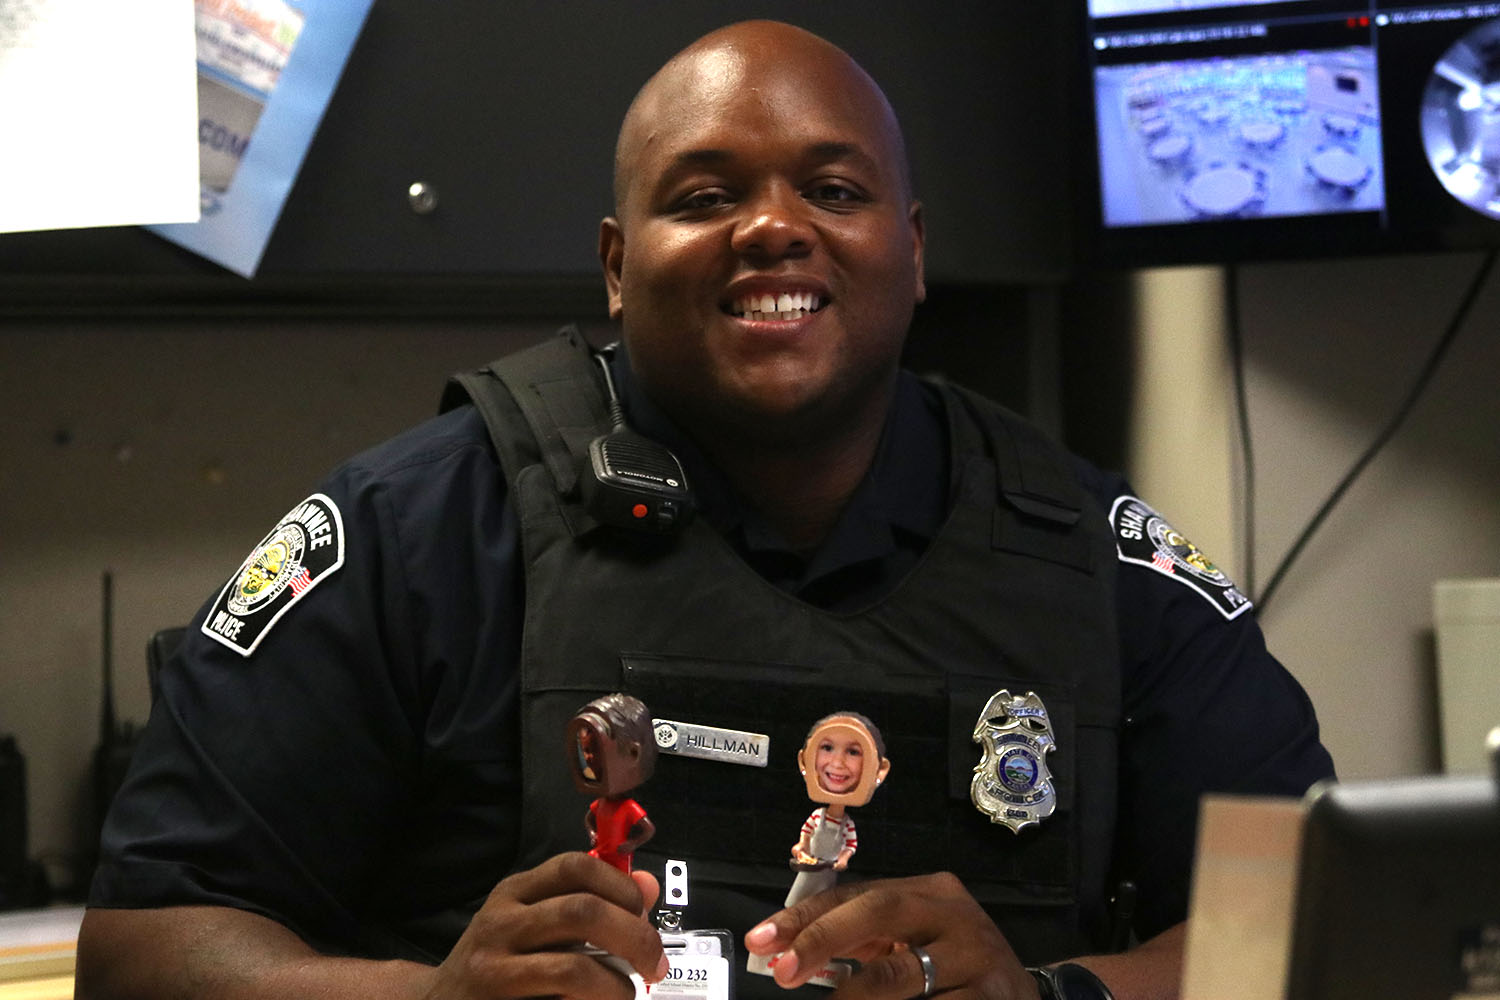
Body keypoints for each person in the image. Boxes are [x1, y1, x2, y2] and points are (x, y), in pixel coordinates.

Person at [75, 19, 1335, 1000]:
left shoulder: (1090, 556)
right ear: (619, 267)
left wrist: (1051, 991)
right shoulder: (418, 536)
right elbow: (141, 948)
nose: (774, 229)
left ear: (912, 251)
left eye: (833, 193)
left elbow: (1315, 921)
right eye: (705, 196)